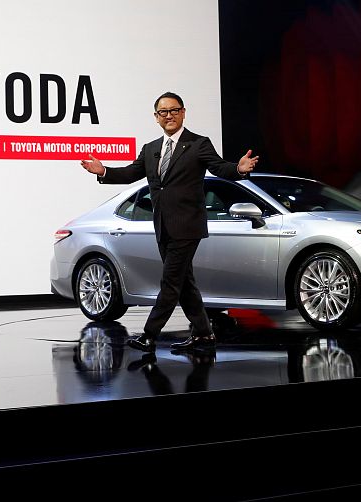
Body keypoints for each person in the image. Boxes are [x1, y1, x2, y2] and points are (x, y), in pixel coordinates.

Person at [79, 91, 258, 352]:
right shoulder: (151, 149)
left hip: (188, 226)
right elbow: (131, 172)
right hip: (163, 226)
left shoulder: (198, 144)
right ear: (156, 117)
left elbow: (220, 168)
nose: (169, 116)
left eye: (174, 110)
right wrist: (104, 171)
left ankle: (150, 335)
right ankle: (203, 335)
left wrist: (239, 169)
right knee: (185, 283)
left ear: (183, 113)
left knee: (170, 282)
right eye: (164, 112)